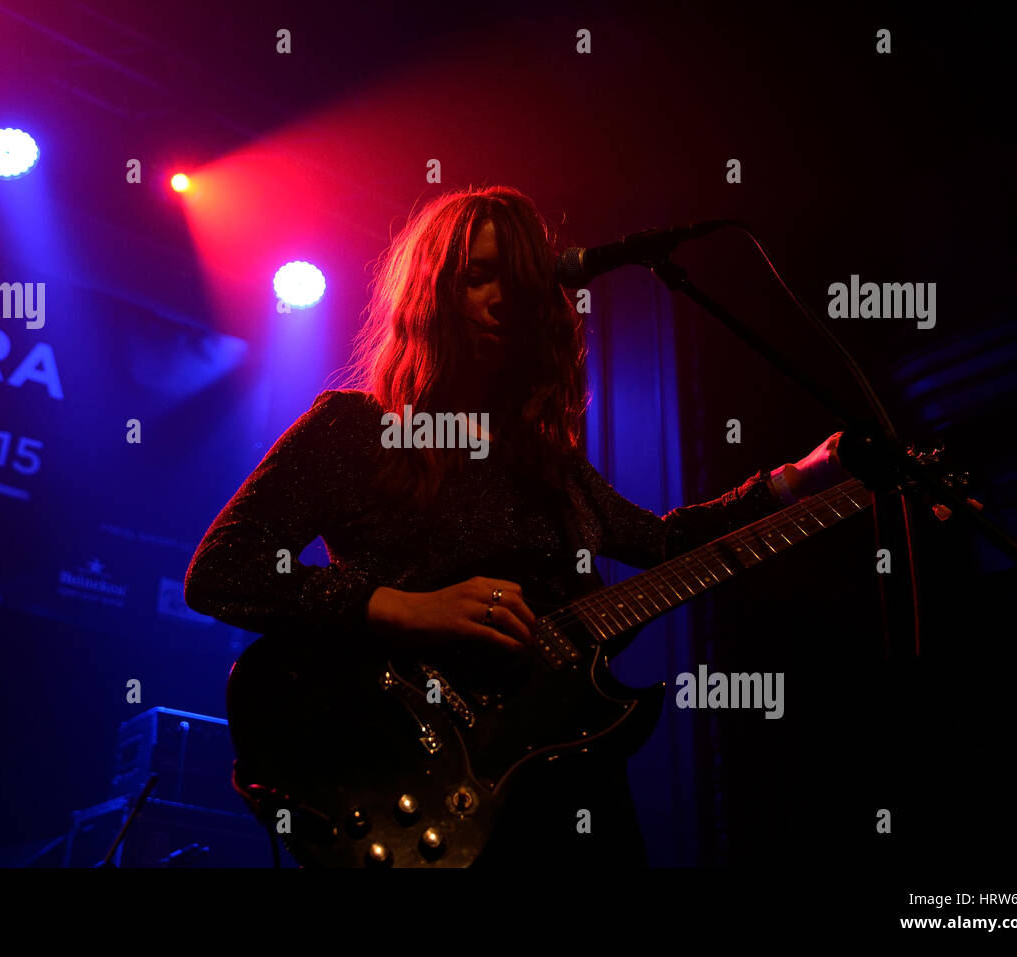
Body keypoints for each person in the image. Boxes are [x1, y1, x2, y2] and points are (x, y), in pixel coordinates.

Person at [184, 185, 847, 867]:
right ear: (433, 291)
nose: (503, 298)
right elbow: (222, 567)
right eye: (479, 277)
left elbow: (666, 542)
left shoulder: (547, 464)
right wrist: (404, 607)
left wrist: (803, 475)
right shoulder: (356, 431)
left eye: (521, 282)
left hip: (574, 787)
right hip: (425, 782)